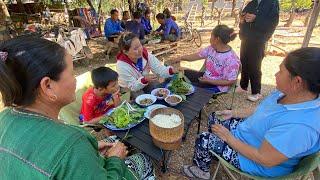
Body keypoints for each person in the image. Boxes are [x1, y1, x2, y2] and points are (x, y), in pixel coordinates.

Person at [0, 36, 155, 179]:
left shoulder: (5, 117)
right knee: (145, 160)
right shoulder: (73, 142)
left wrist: (91, 148)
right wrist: (114, 160)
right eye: (72, 73)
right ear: (48, 86)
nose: (75, 80)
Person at [183, 47, 320, 179]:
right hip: (250, 136)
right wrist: (234, 113)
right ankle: (215, 152)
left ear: (297, 81)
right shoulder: (289, 92)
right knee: (215, 116)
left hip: (255, 160)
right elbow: (264, 110)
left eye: (280, 71)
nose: (275, 74)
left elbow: (264, 159)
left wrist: (229, 138)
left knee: (204, 139)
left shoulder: (300, 127)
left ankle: (201, 172)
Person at [172, 25, 240, 93]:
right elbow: (197, 55)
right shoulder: (211, 48)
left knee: (185, 89)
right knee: (181, 73)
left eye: (211, 36)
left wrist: (208, 81)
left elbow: (230, 81)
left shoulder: (232, 59)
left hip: (217, 86)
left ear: (217, 39)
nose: (210, 39)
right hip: (205, 78)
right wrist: (181, 58)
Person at [237, 0, 279, 102]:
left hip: (259, 40)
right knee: (244, 62)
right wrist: (242, 19)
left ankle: (256, 92)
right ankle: (243, 86)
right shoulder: (252, 2)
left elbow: (273, 22)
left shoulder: (272, 3)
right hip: (246, 38)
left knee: (254, 65)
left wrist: (256, 19)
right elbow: (244, 16)